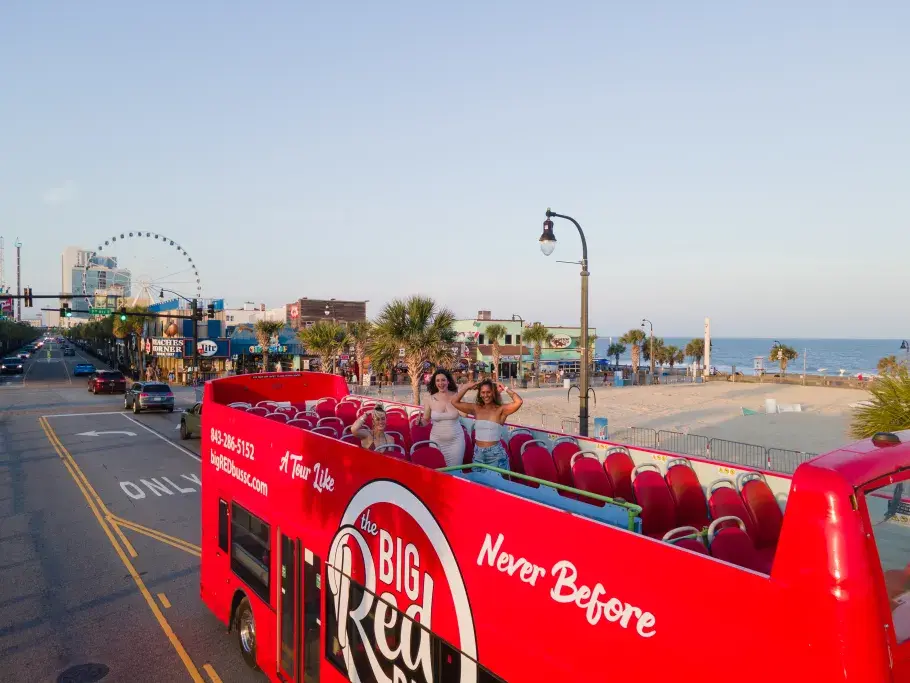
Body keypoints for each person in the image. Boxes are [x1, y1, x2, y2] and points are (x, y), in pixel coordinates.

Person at [452, 379, 523, 470]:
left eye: (488, 392)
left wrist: (505, 387)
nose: (485, 395)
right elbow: (454, 402)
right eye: (483, 392)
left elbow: (519, 402)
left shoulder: (501, 410)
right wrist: (467, 387)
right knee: (478, 483)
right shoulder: (476, 408)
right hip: (478, 454)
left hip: (495, 455)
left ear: (493, 393)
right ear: (480, 394)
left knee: (496, 484)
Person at [418, 369, 465, 467]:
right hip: (436, 441)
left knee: (455, 471)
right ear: (434, 383)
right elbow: (426, 420)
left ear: (448, 381)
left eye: (443, 380)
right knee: (438, 470)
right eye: (437, 381)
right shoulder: (429, 399)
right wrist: (419, 422)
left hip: (456, 441)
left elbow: (464, 414)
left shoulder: (457, 396)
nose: (440, 383)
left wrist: (459, 397)